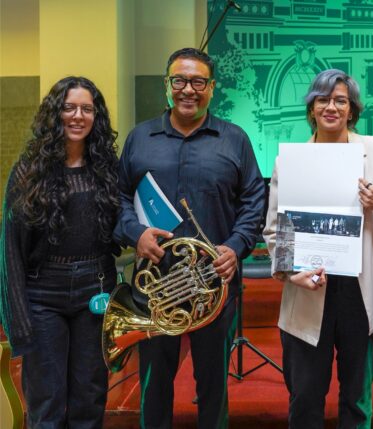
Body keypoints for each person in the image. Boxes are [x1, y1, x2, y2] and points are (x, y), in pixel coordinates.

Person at [113, 47, 265, 428]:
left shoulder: (235, 139)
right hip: (154, 289)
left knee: (213, 388)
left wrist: (235, 246)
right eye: (179, 80)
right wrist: (136, 233)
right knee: (154, 387)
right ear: (167, 85)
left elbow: (254, 201)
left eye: (198, 82)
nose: (188, 90)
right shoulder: (139, 138)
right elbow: (116, 197)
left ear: (212, 88)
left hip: (214, 288)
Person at [263, 69, 373, 428]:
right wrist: (291, 273)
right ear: (311, 108)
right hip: (309, 286)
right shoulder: (290, 161)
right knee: (304, 397)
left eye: (340, 100)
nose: (331, 107)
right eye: (323, 99)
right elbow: (275, 230)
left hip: (364, 291)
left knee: (357, 399)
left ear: (351, 110)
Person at [0, 76, 120, 428]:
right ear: (55, 113)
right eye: (69, 107)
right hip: (43, 297)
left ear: (96, 116)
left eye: (87, 109)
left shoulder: (107, 168)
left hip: (96, 292)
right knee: (47, 403)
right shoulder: (29, 171)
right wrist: (18, 321)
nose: (78, 116)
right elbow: (10, 250)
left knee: (89, 399)